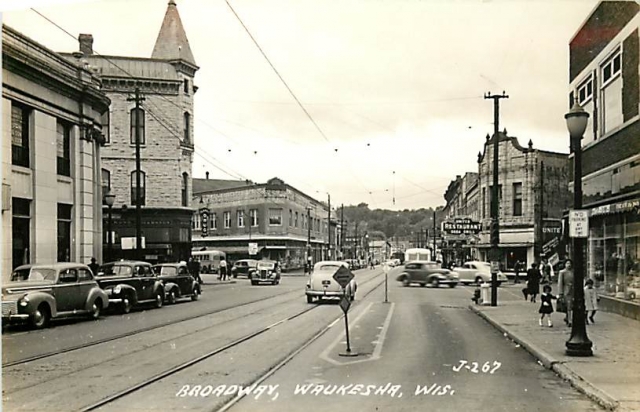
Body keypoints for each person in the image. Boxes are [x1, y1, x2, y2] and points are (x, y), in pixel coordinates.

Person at [558, 259, 575, 326]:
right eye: (567, 263)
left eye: (570, 263)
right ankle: (570, 320)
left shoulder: (573, 272)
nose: (569, 265)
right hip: (566, 291)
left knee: (571, 305)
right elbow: (560, 283)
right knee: (568, 305)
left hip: (573, 291)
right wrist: (560, 293)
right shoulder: (562, 272)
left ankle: (568, 318)